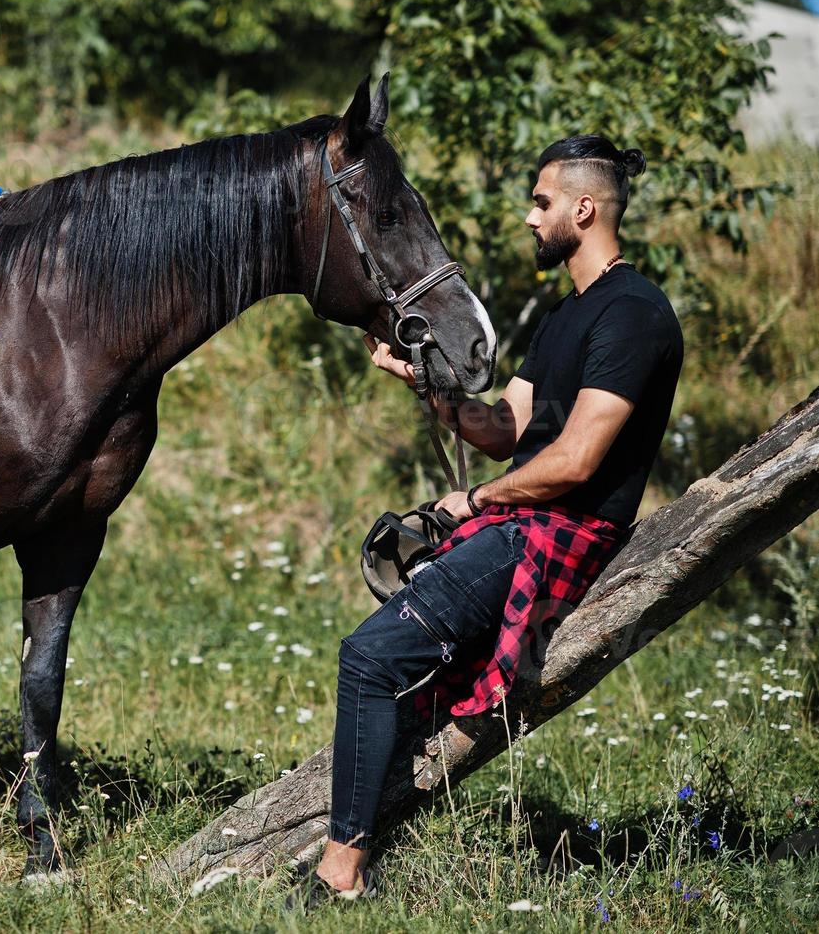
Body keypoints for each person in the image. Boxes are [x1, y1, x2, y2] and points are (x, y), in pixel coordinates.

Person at [290, 134, 684, 908]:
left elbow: (573, 463)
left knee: (368, 660)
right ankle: (361, 841)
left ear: (583, 207)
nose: (528, 218)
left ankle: (341, 872)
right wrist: (426, 387)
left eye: (540, 203)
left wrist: (473, 501)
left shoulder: (635, 314)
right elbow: (505, 430)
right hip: (521, 523)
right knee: (391, 667)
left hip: (557, 531)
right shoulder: (566, 317)